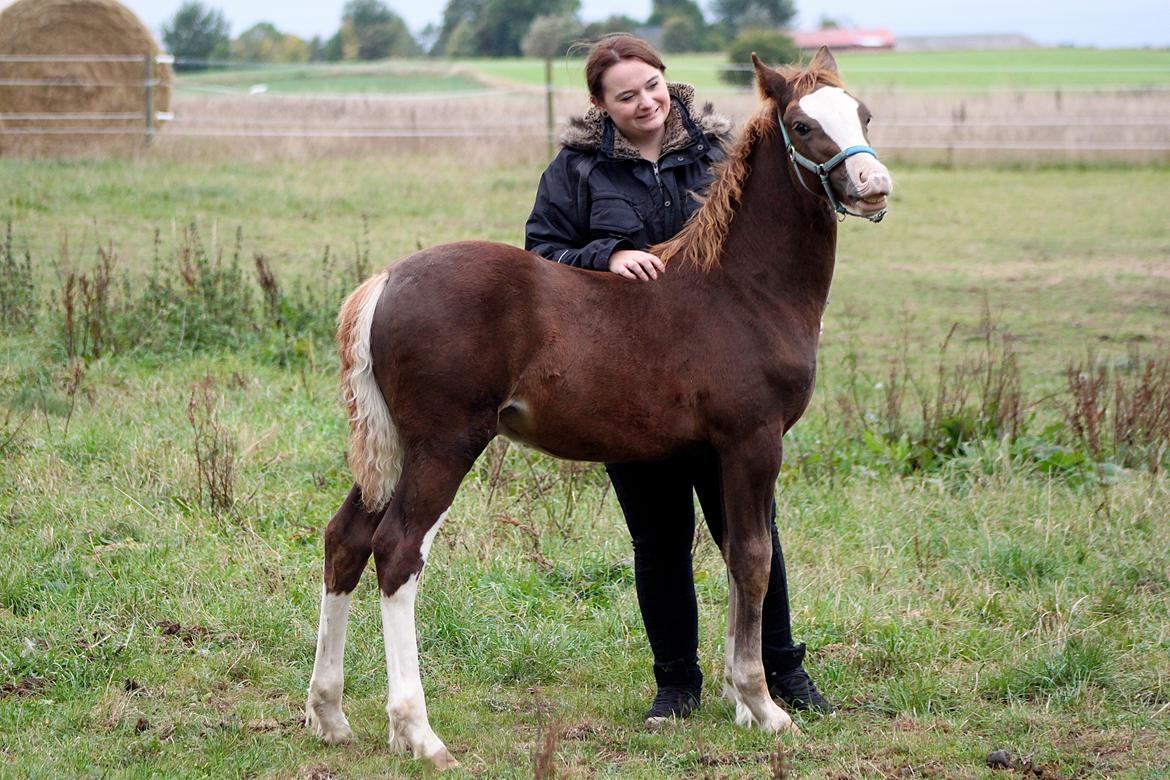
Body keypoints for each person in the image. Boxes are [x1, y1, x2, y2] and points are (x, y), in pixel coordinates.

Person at [523, 34, 831, 728]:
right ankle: (676, 683)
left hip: (728, 376)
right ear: (601, 105)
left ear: (668, 80)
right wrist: (609, 253)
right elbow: (540, 254)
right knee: (658, 538)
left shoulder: (723, 152)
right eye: (626, 95)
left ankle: (782, 667)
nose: (645, 103)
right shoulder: (576, 169)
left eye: (652, 86)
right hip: (629, 385)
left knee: (750, 529)